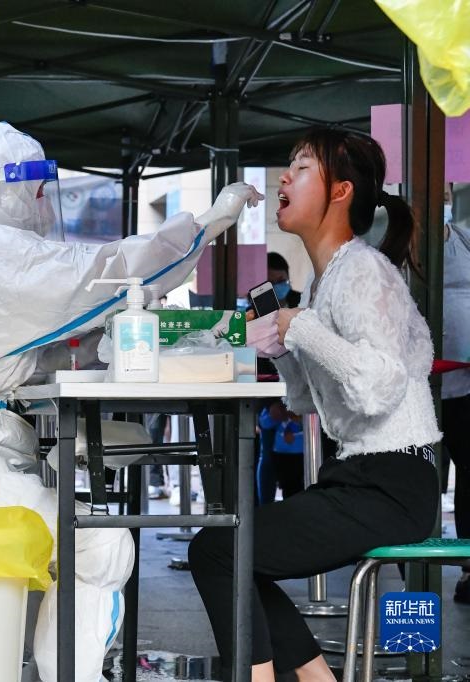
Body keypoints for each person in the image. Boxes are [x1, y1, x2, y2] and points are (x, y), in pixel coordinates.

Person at [0, 120, 263, 682]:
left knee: (63, 542)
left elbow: (0, 341)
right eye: (35, 190)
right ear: (7, 189)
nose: (41, 203)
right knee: (101, 544)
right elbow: (109, 271)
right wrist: (208, 223)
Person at [190, 128, 441, 682]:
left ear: (341, 191)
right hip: (360, 477)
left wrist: (300, 327)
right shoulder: (325, 282)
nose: (284, 176)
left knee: (219, 551)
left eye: (302, 168)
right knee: (230, 552)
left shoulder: (363, 271)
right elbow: (308, 400)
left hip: (392, 483)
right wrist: (282, 349)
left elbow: (378, 386)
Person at [253, 251, 305, 505]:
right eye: (271, 282)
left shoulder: (301, 302)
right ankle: (264, 508)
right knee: (267, 454)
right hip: (271, 395)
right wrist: (270, 403)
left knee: (302, 457)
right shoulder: (255, 311)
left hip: (303, 389)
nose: (277, 286)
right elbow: (256, 359)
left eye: (281, 280)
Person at [442, 185, 470, 603]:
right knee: (418, 485)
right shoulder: (392, 242)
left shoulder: (464, 238)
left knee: (468, 476)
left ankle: (468, 567)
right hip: (415, 389)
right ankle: (413, 580)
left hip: (465, 387)